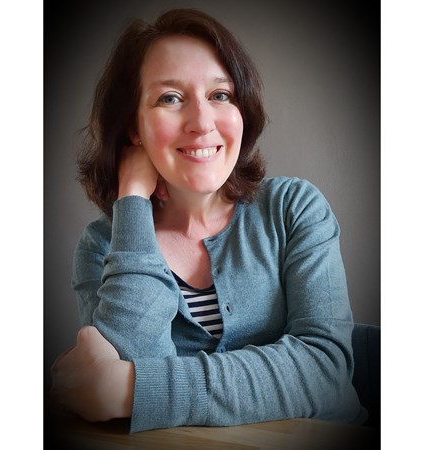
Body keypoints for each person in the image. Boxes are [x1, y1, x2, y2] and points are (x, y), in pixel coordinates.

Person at [51, 8, 366, 433]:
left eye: (220, 95)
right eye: (170, 98)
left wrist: (132, 389)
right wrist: (132, 199)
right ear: (133, 128)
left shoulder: (294, 208)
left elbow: (325, 369)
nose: (202, 123)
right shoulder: (102, 247)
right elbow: (126, 380)